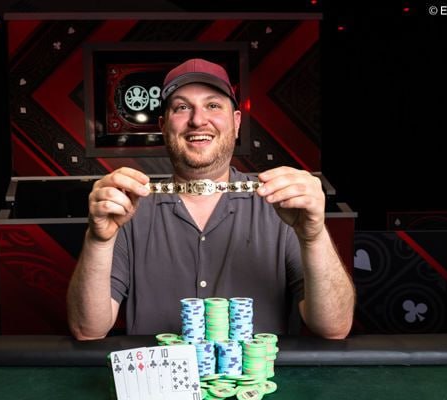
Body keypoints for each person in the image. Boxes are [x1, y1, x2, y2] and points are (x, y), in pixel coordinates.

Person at [67, 58, 355, 340]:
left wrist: (314, 237)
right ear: (163, 126)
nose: (198, 120)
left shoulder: (281, 203)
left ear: (236, 122)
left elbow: (334, 327)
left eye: (213, 105)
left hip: (256, 374)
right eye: (182, 107)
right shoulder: (128, 208)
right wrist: (98, 240)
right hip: (162, 374)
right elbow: (87, 329)